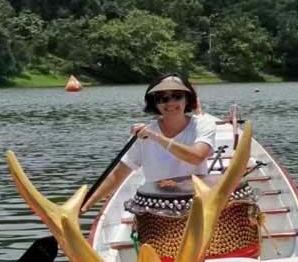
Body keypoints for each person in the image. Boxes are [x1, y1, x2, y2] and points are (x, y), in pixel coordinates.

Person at [79, 73, 216, 214]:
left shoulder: (203, 125)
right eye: (162, 98)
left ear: (187, 99)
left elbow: (197, 157)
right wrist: (84, 207)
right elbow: (116, 176)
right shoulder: (143, 135)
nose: (170, 103)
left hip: (196, 205)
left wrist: (155, 136)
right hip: (157, 207)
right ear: (155, 103)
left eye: (177, 96)